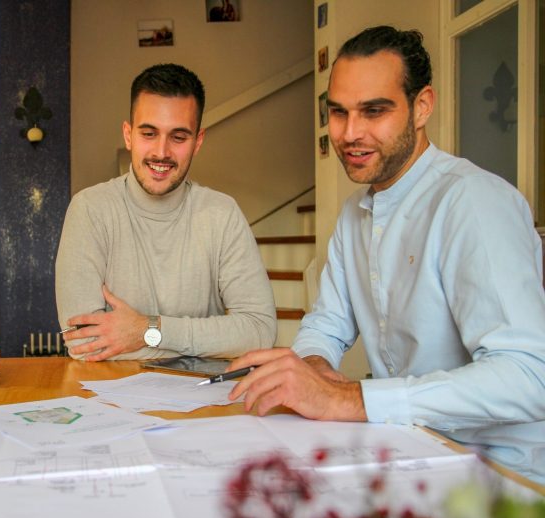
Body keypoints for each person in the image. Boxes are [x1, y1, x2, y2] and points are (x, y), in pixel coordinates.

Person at [228, 26, 545, 483]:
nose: (350, 133)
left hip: (500, 474)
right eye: (338, 113)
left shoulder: (473, 202)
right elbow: (326, 323)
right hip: (408, 449)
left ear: (422, 107)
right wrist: (313, 367)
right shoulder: (355, 213)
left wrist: (350, 400)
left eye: (374, 111)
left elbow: (528, 376)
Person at [56, 63, 276, 361]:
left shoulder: (222, 214)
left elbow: (259, 332)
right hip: (110, 399)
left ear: (197, 142)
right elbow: (84, 344)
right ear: (128, 135)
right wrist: (208, 340)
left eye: (179, 137)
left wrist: (146, 330)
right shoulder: (90, 210)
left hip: (203, 399)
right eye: (149, 133)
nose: (161, 152)